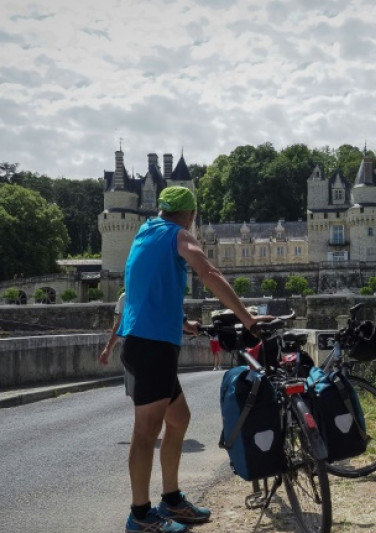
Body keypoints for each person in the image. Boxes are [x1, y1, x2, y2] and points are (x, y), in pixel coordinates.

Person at [111, 185, 273, 533]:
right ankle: (140, 516)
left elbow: (143, 289)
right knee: (145, 432)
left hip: (148, 339)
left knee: (179, 418)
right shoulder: (179, 235)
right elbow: (209, 273)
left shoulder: (145, 233)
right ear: (191, 215)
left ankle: (172, 500)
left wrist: (184, 323)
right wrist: (247, 319)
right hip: (151, 344)